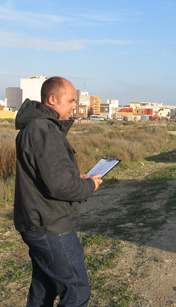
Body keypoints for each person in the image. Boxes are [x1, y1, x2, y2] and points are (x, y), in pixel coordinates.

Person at [14, 76, 103, 306]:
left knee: (43, 288)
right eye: (71, 100)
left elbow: (47, 176)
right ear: (52, 99)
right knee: (76, 290)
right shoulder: (44, 130)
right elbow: (59, 186)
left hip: (39, 221)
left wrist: (77, 178)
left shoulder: (37, 127)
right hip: (51, 226)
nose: (74, 106)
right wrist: (89, 185)